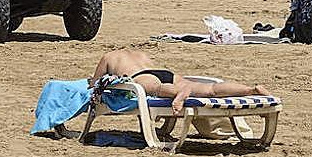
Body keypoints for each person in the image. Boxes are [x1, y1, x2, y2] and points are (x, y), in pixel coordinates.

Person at [90, 49, 271, 115]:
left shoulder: (109, 56)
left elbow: (95, 83)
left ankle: (178, 93)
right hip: (165, 73)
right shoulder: (139, 54)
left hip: (142, 76)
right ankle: (251, 89)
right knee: (210, 89)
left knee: (155, 88)